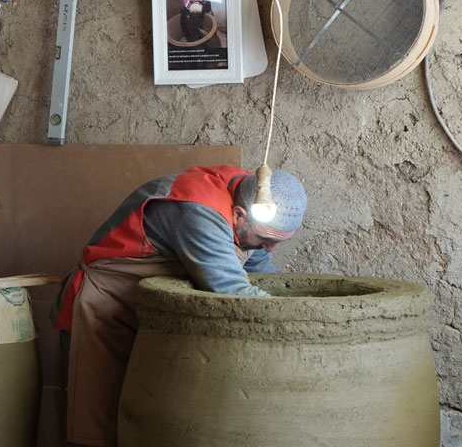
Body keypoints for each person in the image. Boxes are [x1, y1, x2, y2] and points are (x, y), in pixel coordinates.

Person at [55, 164, 307, 447]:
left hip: (141, 311)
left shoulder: (256, 195)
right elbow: (233, 290)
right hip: (102, 309)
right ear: (238, 216)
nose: (270, 248)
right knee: (97, 426)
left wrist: (292, 294)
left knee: (138, 422)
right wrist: (307, 320)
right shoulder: (199, 211)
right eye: (266, 239)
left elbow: (261, 271)